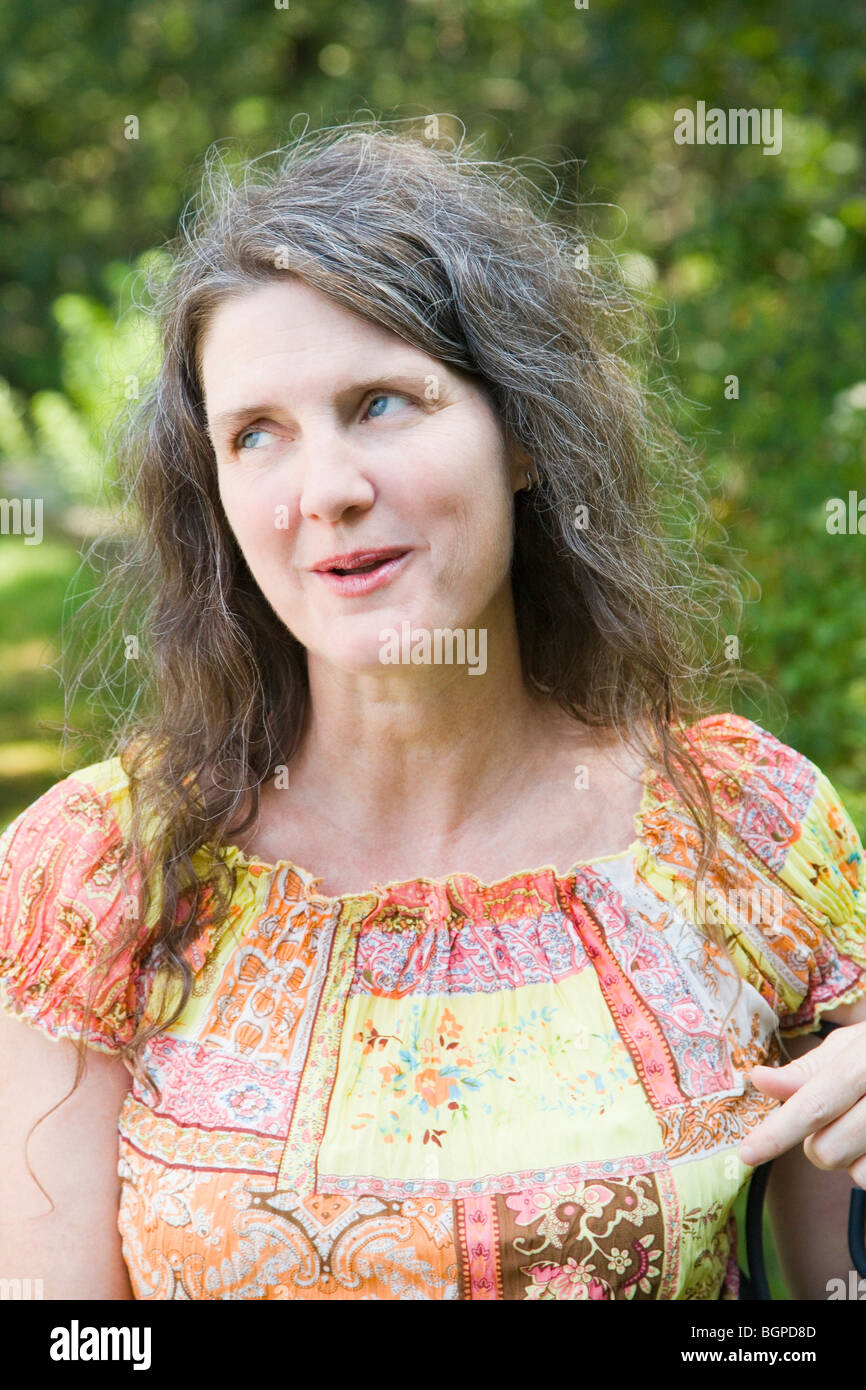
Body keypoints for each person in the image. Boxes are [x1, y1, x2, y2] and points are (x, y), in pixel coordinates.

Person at [2, 119, 865, 1302]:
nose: (328, 492)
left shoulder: (747, 830)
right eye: (257, 434)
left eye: (382, 405)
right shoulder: (98, 877)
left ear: (519, 431)